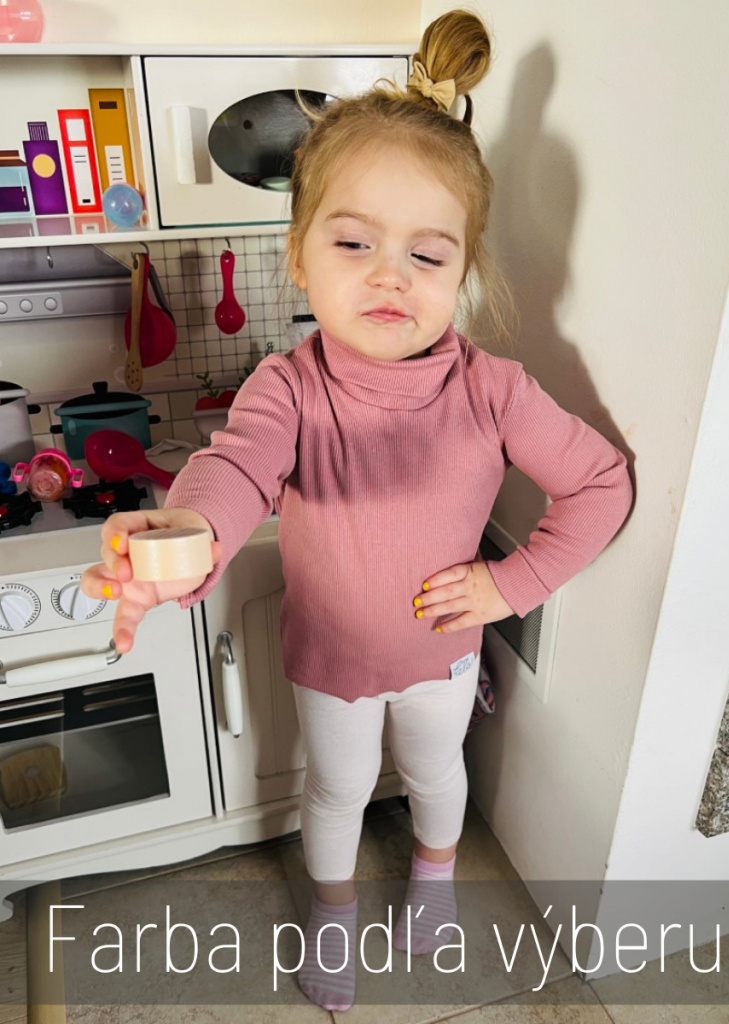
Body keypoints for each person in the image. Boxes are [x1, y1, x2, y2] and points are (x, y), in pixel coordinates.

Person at [81, 10, 633, 1011]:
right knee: (334, 792)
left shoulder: (496, 390)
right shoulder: (287, 387)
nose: (390, 274)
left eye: (428, 254)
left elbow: (602, 484)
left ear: (463, 270)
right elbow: (235, 469)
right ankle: (333, 913)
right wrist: (191, 532)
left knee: (438, 776)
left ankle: (435, 879)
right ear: (299, 255)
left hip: (443, 656)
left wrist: (512, 584)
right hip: (331, 660)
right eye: (353, 241)